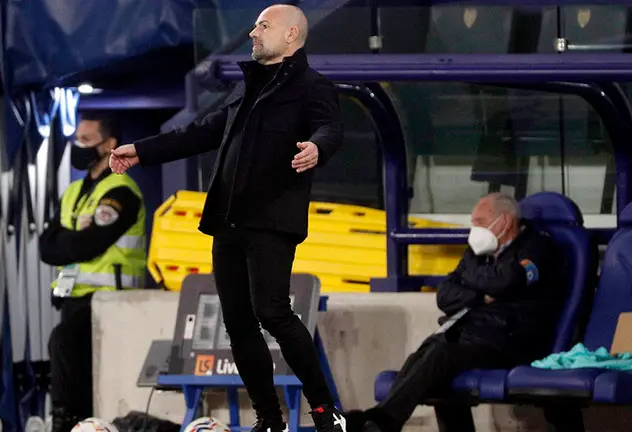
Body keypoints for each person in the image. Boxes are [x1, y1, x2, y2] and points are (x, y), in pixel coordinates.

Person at [109, 4, 345, 432]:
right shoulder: (246, 87)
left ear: (291, 34)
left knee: (272, 312)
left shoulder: (312, 87)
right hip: (228, 220)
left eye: (263, 25)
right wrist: (141, 150)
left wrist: (317, 148)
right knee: (237, 321)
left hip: (271, 219)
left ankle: (327, 412)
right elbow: (199, 132)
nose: (253, 33)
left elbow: (331, 128)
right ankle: (269, 419)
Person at [344, 193, 563, 432]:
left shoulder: (538, 247)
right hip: (474, 334)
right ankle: (378, 420)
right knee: (425, 354)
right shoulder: (479, 253)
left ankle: (382, 424)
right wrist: (481, 295)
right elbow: (445, 294)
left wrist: (475, 280)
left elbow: (507, 281)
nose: (474, 229)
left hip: (512, 340)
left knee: (441, 354)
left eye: (479, 222)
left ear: (505, 221)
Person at [39, 111, 147, 432]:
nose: (78, 146)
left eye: (86, 140)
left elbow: (89, 245)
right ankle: (78, 421)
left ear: (109, 145)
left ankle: (65, 419)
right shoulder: (74, 191)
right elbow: (46, 246)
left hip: (109, 302)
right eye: (76, 140)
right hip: (73, 299)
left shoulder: (120, 192)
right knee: (78, 365)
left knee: (63, 343)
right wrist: (71, 241)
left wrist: (67, 240)